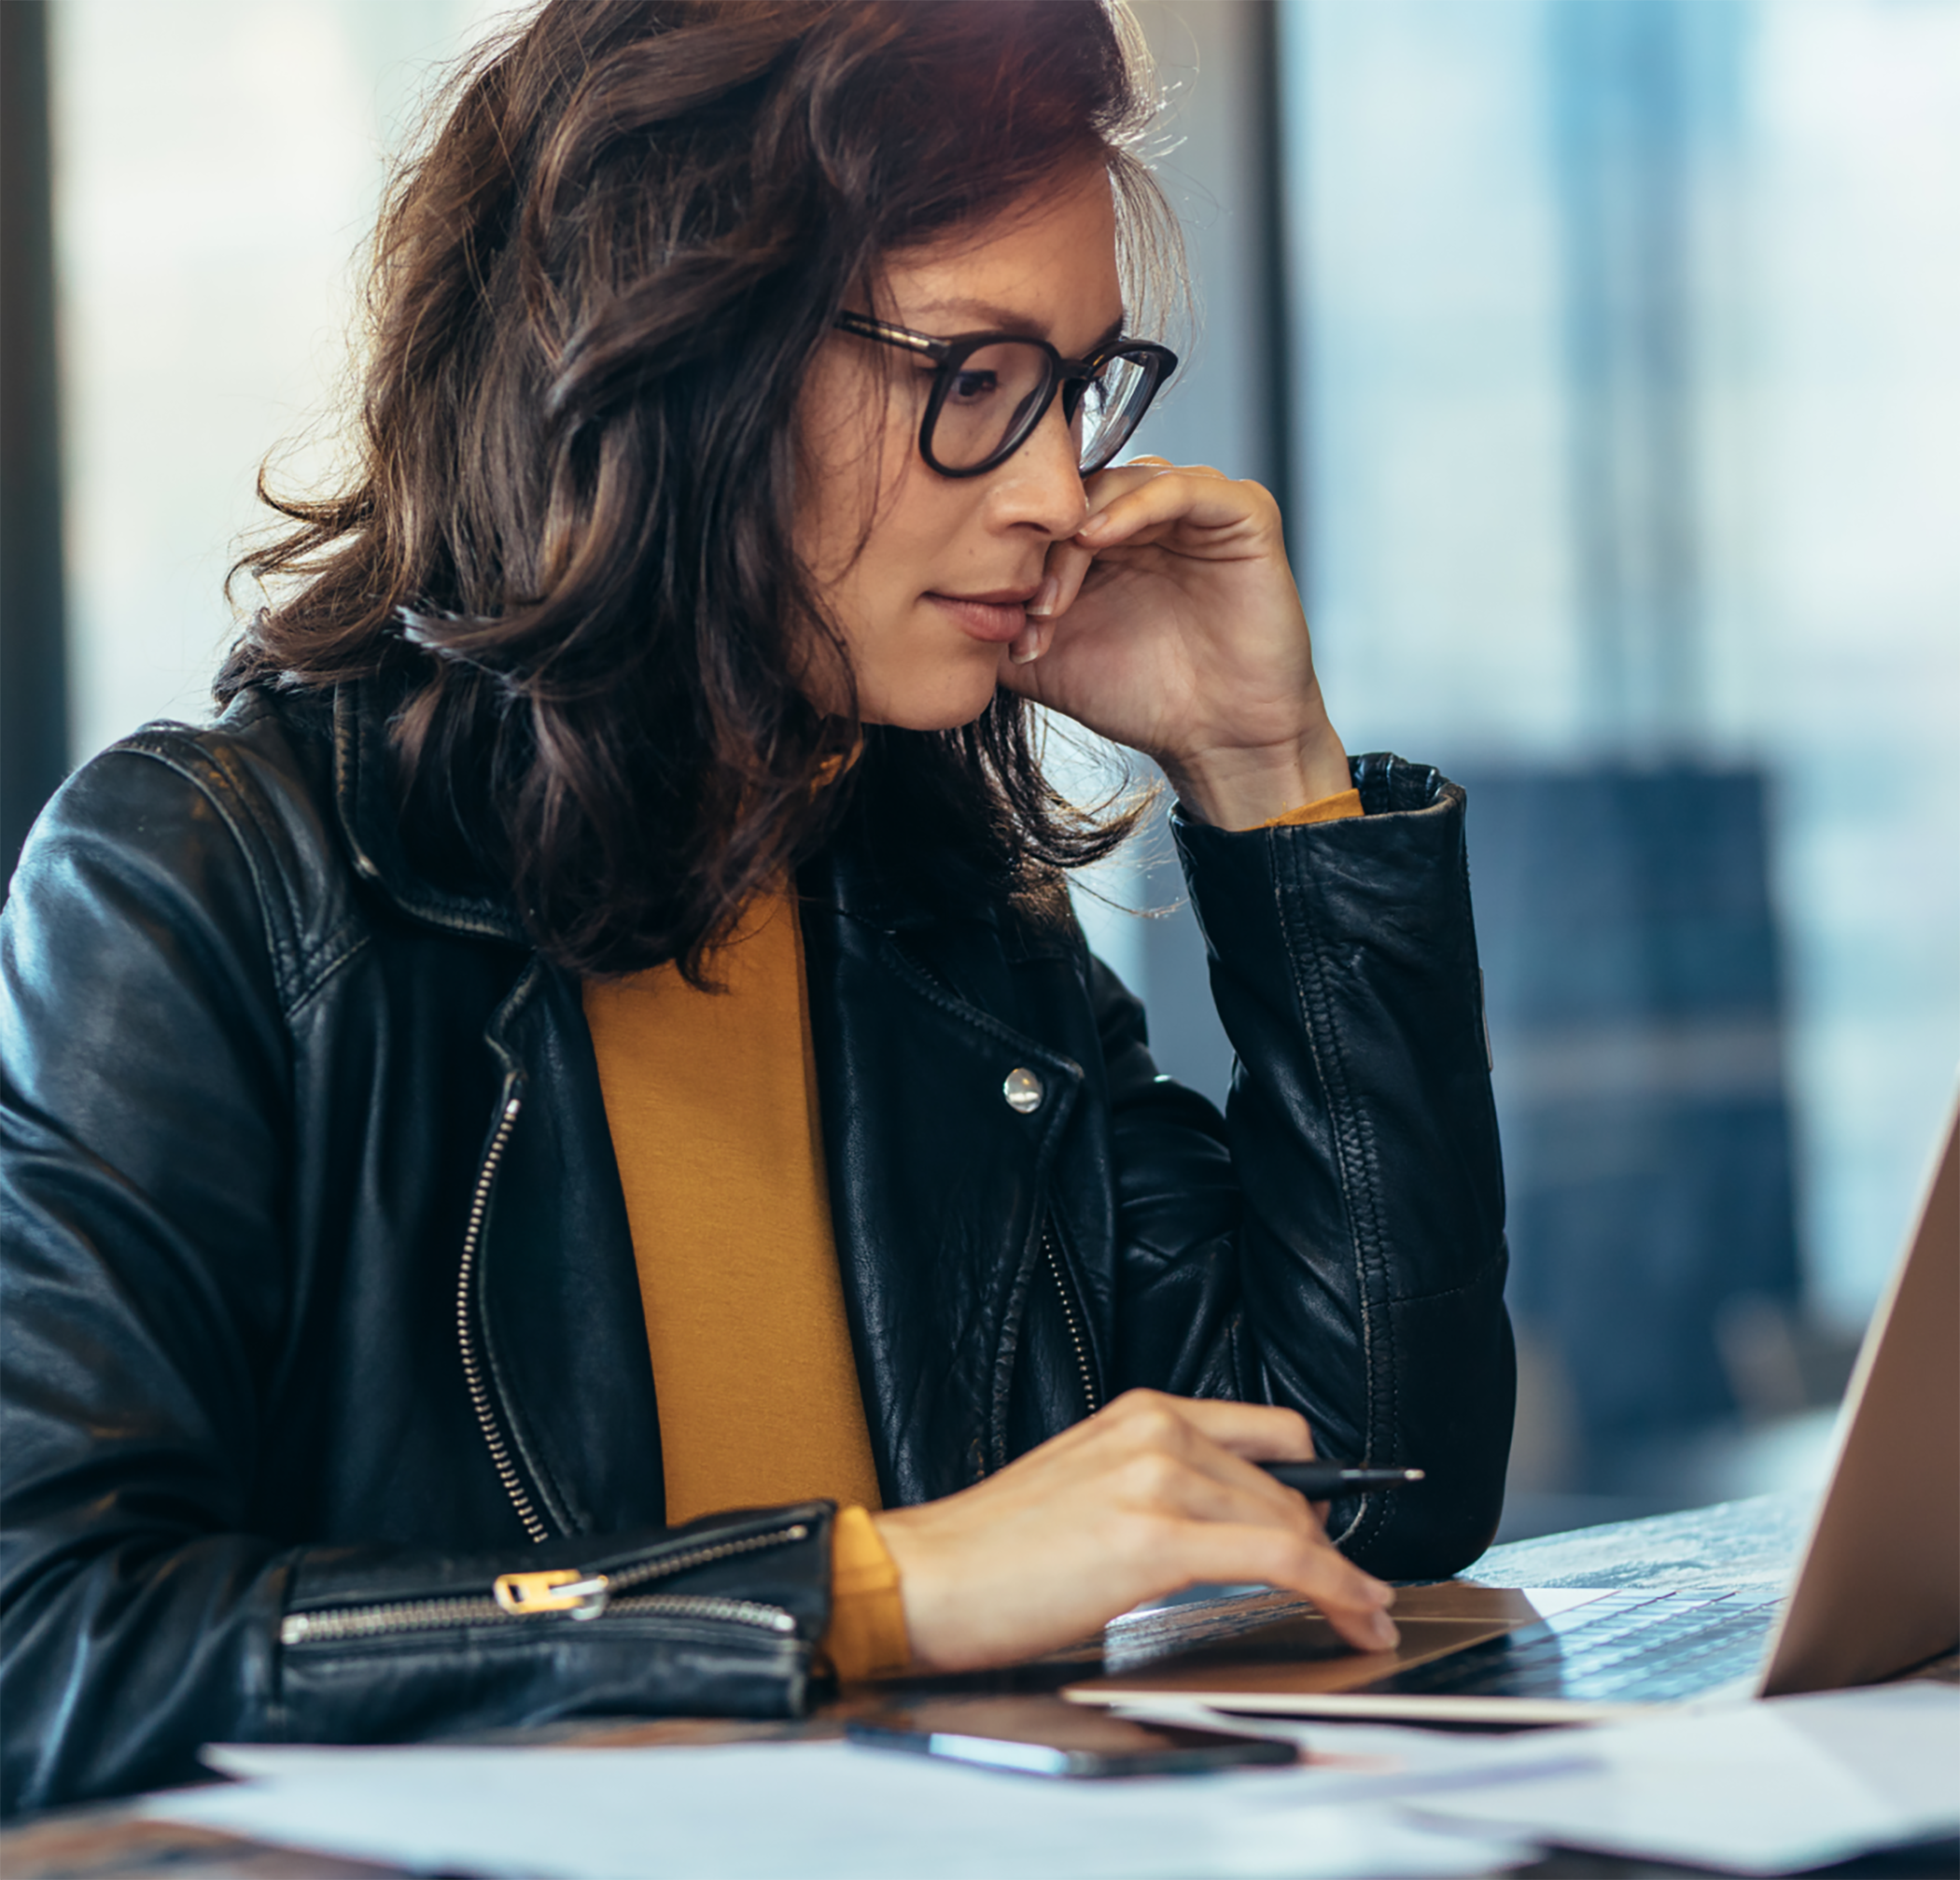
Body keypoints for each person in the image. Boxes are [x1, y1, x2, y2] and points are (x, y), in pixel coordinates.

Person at [0, 0, 1513, 1816]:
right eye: (971, 379)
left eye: (1079, 386)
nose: (1055, 492)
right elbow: (50, 1643)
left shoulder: (947, 916)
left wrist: (1273, 776)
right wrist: (869, 1587)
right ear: (679, 354)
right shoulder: (198, 885)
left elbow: (1384, 1490)